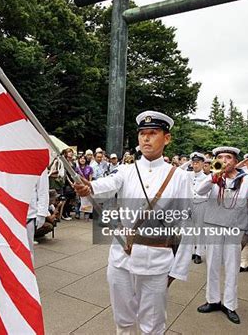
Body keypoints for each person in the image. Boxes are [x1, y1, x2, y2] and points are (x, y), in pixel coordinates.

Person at [74, 111, 193, 335]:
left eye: (153, 133)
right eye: (142, 134)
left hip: (157, 259)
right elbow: (107, 184)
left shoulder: (179, 177)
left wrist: (178, 269)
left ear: (166, 138)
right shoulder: (126, 170)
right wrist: (88, 188)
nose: (146, 138)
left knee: (153, 323)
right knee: (122, 318)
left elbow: (186, 224)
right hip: (122, 255)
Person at [195, 146, 248, 324]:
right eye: (220, 157)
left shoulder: (247, 180)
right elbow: (199, 191)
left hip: (235, 228)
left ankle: (230, 305)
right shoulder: (213, 176)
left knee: (232, 267)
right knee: (212, 264)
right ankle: (212, 300)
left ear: (236, 161)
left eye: (228, 157)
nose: (224, 160)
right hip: (213, 225)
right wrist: (213, 177)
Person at [187, 152, 209, 264]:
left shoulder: (207, 177)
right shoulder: (187, 175)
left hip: (201, 204)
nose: (195, 165)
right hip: (189, 205)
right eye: (193, 163)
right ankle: (190, 251)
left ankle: (199, 253)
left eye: (198, 163)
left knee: (200, 229)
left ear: (203, 164)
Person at [26, 170, 50, 262]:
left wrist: (41, 213)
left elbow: (43, 190)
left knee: (27, 249)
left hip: (28, 214)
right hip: (7, 212)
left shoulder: (38, 160)